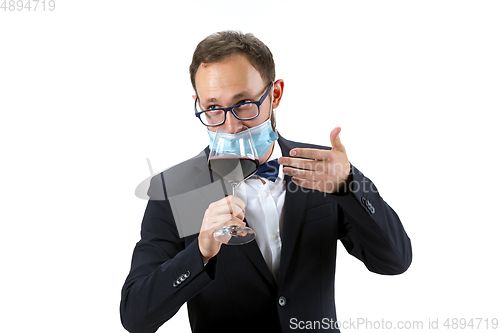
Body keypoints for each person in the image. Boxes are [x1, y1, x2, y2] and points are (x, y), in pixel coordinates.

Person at [120, 30, 412, 333]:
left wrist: (349, 185)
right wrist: (200, 252)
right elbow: (136, 316)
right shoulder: (175, 190)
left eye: (243, 102)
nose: (230, 126)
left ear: (274, 94)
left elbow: (395, 261)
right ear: (199, 104)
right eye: (213, 108)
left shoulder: (324, 170)